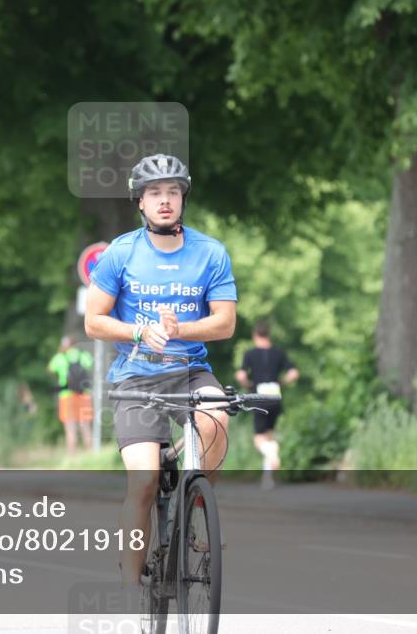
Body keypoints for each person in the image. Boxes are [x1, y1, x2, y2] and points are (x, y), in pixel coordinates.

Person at [84, 153, 237, 587]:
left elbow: (224, 322)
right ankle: (132, 589)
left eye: (173, 192)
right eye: (155, 193)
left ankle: (198, 507)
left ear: (183, 198)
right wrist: (138, 331)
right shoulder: (121, 253)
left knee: (217, 414)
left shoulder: (210, 252)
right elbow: (94, 321)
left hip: (190, 369)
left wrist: (180, 328)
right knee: (145, 480)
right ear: (141, 202)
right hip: (135, 376)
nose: (165, 200)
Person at [235, 319, 299, 487]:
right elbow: (293, 373)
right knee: (269, 436)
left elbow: (241, 376)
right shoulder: (279, 353)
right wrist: (282, 382)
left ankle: (271, 457)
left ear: (255, 335)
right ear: (268, 335)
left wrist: (248, 384)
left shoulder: (250, 354)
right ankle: (267, 479)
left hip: (259, 396)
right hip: (275, 397)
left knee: (259, 439)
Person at [48, 335, 95, 453]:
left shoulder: (60, 357)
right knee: (86, 426)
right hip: (84, 395)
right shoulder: (83, 355)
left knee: (70, 428)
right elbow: (90, 364)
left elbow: (50, 369)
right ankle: (91, 456)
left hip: (66, 395)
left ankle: (71, 458)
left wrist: (60, 352)